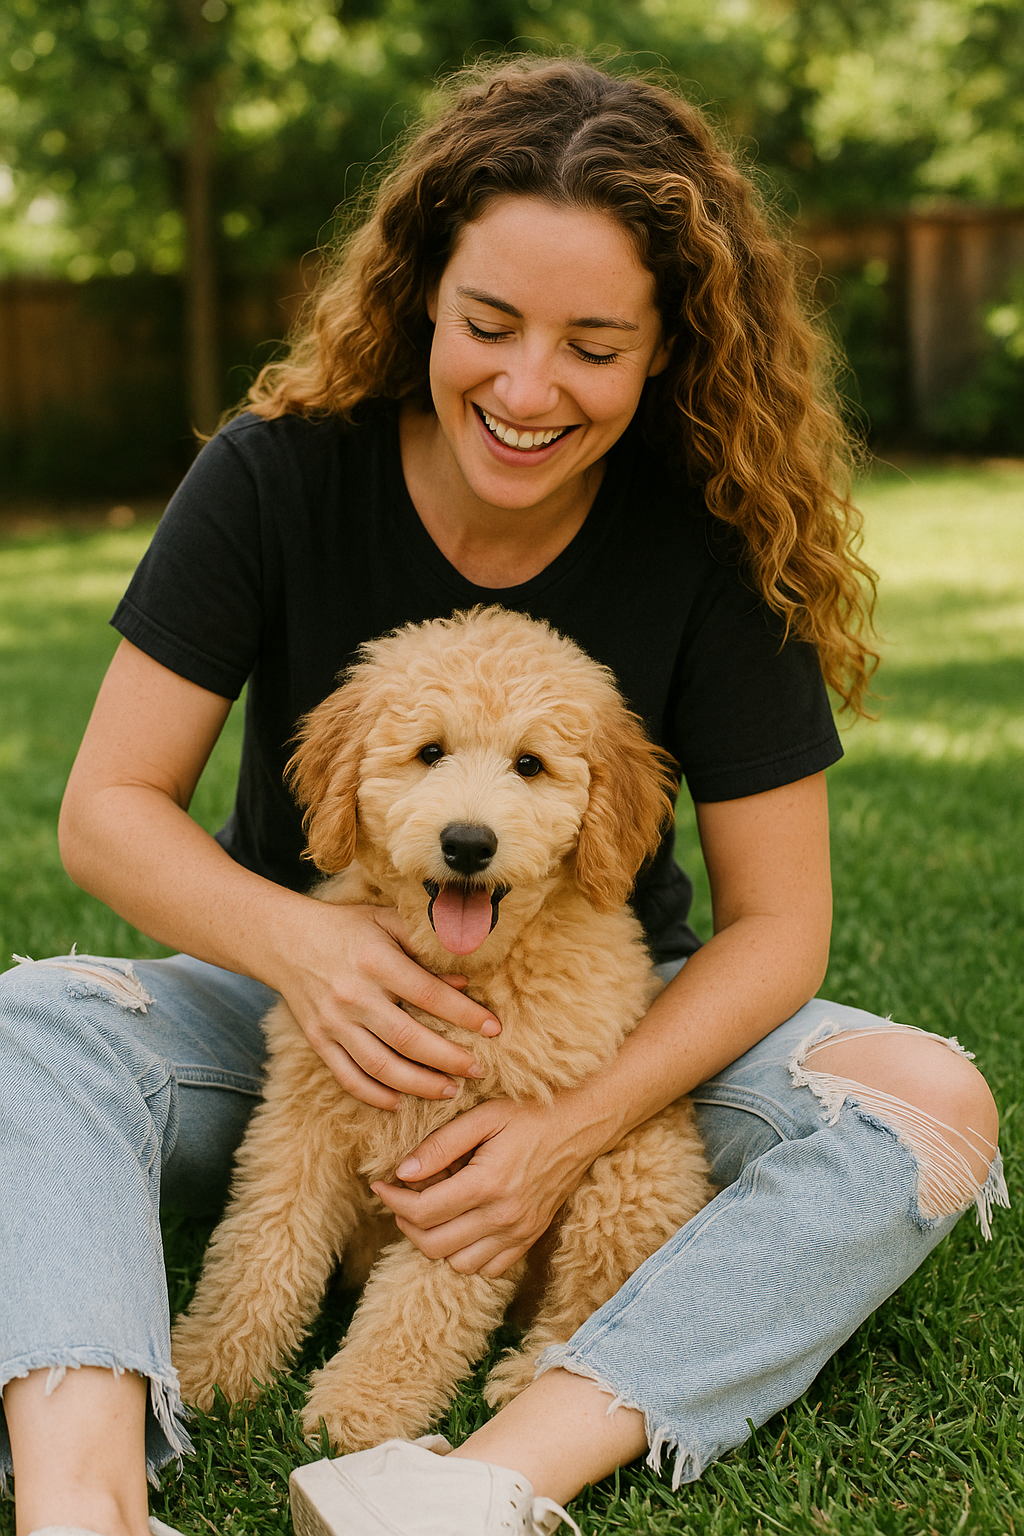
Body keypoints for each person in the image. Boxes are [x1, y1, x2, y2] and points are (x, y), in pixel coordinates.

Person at [0, 56, 1006, 1536]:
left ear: (668, 350)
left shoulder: (711, 542)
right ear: (423, 299)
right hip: (291, 1000)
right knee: (39, 1023)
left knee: (925, 1105)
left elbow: (781, 924)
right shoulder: (276, 475)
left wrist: (569, 1129)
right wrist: (311, 951)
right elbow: (106, 812)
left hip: (605, 1020)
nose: (528, 390)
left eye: (594, 346)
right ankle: (84, 1496)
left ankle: (487, 1476)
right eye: (488, 326)